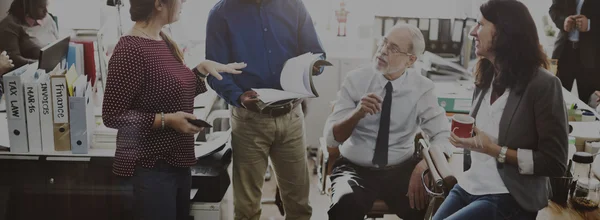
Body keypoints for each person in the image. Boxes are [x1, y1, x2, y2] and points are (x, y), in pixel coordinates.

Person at [101, 0, 246, 219]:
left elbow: (171, 94)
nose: (184, 2)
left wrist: (201, 70)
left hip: (177, 164)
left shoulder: (162, 39)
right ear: (159, 4)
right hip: (149, 169)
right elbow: (112, 115)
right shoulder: (130, 50)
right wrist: (167, 120)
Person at [433, 1, 568, 219]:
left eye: (481, 25)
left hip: (509, 195)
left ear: (505, 32)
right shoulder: (486, 74)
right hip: (470, 184)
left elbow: (555, 163)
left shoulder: (544, 85)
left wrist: (494, 150)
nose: (472, 32)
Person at [205, 0, 325, 219]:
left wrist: (313, 67)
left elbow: (315, 52)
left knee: (299, 205)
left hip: (291, 117)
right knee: (247, 208)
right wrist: (238, 97)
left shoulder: (294, 5)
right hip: (249, 118)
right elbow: (215, 72)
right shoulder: (221, 14)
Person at [323, 23, 454, 220]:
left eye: (393, 48)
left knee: (429, 206)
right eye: (384, 42)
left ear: (410, 60)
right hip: (354, 168)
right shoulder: (356, 79)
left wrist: (423, 165)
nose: (383, 50)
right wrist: (357, 113)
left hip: (400, 169)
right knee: (344, 205)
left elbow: (443, 135)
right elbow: (332, 140)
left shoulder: (422, 88)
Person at [550, 0, 600, 103]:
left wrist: (590, 24)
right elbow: (554, 9)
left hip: (592, 57)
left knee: (590, 104)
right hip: (563, 52)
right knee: (556, 99)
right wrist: (563, 21)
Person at [0, 0, 59, 69]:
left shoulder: (47, 18)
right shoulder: (9, 25)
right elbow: (13, 60)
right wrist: (42, 64)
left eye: (46, 6)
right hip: (29, 74)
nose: (46, 11)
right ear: (29, 6)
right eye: (41, 7)